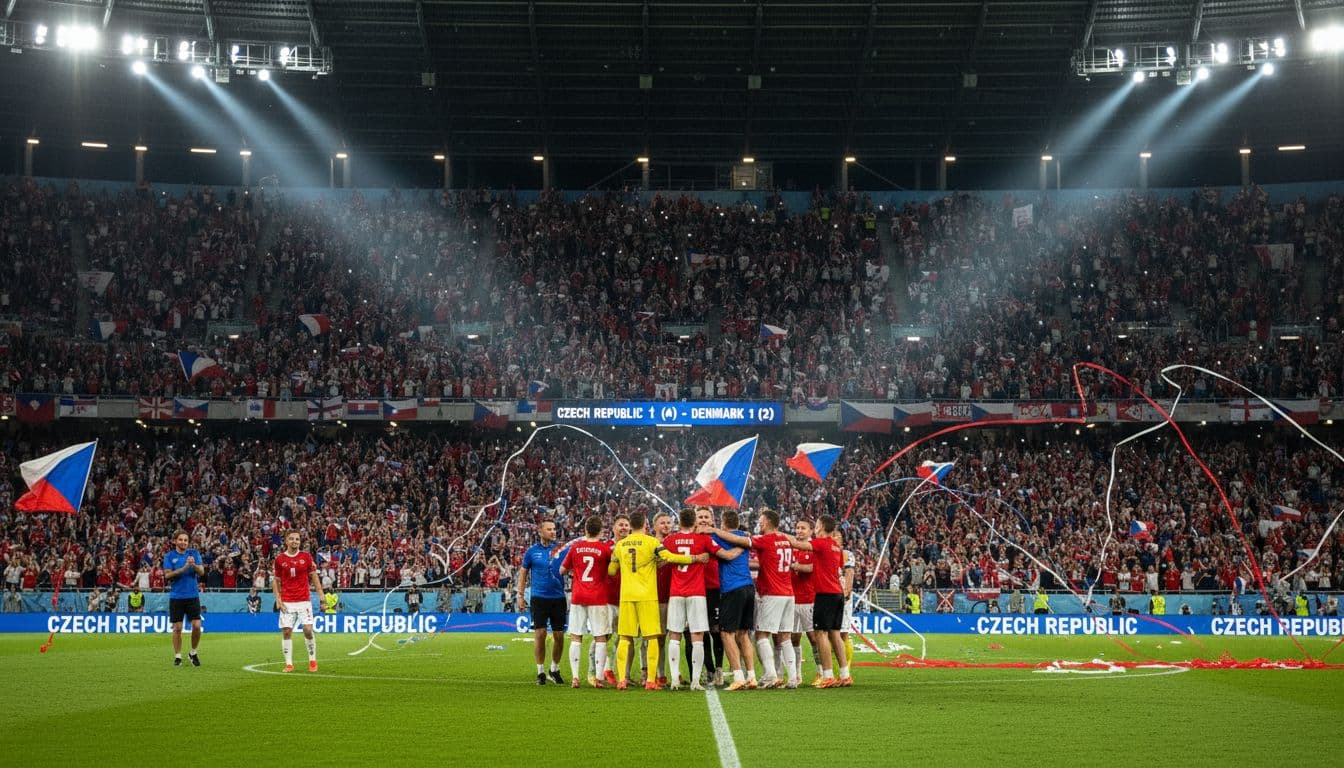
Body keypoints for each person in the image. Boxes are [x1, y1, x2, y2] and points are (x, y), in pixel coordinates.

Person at [608, 510, 705, 690]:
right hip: (647, 597)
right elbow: (670, 557)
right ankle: (651, 681)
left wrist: (619, 563)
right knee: (652, 637)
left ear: (631, 525)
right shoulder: (652, 542)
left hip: (627, 596)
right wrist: (694, 558)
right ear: (645, 524)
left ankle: (622, 679)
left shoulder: (620, 545)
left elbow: (611, 571)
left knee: (625, 638)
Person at [710, 508, 800, 688]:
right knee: (785, 637)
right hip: (789, 593)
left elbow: (739, 540)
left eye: (760, 521)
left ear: (766, 522)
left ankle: (770, 675)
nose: (759, 523)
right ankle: (793, 678)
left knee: (760, 635)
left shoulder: (765, 540)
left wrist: (713, 530)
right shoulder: (785, 540)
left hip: (772, 592)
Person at [662, 508, 741, 690]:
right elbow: (726, 555)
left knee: (674, 635)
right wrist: (744, 545)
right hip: (697, 593)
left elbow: (660, 559)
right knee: (697, 636)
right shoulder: (704, 539)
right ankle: (696, 682)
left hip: (676, 593)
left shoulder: (670, 540)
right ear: (694, 521)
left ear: (679, 521)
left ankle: (674, 680)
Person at [784, 515, 851, 687]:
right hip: (837, 594)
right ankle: (844, 674)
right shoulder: (836, 547)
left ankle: (827, 675)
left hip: (824, 594)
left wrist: (779, 535)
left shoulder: (821, 543)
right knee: (835, 634)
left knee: (821, 634)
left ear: (820, 526)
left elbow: (798, 544)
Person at [559, 515, 614, 688]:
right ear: (601, 531)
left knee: (576, 637)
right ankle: (598, 678)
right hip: (598, 598)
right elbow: (612, 570)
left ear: (585, 530)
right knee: (600, 638)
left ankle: (575, 677)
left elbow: (561, 570)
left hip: (578, 597)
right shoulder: (605, 549)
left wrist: (574, 574)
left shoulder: (576, 547)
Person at [706, 509, 758, 691]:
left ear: (723, 522)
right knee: (743, 634)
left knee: (726, 633)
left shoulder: (718, 537)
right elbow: (747, 543)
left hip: (732, 588)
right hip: (749, 588)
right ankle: (751, 677)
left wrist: (709, 531)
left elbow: (717, 552)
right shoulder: (742, 536)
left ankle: (738, 676)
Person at [518, 519, 568, 686]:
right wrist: (519, 595)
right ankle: (540, 671)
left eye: (554, 529)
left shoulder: (561, 551)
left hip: (558, 598)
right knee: (540, 634)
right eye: (549, 529)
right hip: (539, 598)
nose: (553, 532)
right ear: (540, 531)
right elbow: (523, 573)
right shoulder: (531, 552)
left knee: (559, 636)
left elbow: (571, 568)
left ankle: (554, 669)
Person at [273, 529, 324, 672]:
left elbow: (314, 577)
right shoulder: (279, 559)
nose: (294, 541)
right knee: (287, 631)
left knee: (307, 630)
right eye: (291, 539)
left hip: (304, 601)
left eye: (297, 539)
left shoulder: (306, 557)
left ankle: (312, 661)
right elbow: (276, 581)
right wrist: (278, 599)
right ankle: (289, 664)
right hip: (287, 601)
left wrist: (321, 596)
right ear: (286, 541)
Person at [163, 530, 205, 666]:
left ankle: (193, 653)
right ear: (175, 541)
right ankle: (178, 656)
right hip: (176, 596)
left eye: (186, 540)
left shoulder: (194, 554)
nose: (183, 542)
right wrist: (185, 567)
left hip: (192, 595)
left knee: (197, 626)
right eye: (180, 540)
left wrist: (193, 565)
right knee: (177, 628)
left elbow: (202, 572)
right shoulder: (169, 556)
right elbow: (168, 576)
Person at [695, 507, 727, 686]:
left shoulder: (719, 537)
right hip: (697, 591)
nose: (703, 519)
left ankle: (720, 669)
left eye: (706, 516)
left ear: (712, 520)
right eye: (700, 517)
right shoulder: (692, 539)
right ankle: (709, 670)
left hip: (716, 590)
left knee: (717, 631)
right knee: (702, 632)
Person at [789, 518, 821, 686]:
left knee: (813, 637)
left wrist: (794, 566)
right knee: (794, 638)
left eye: (803, 528)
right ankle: (797, 674)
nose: (799, 530)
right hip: (792, 599)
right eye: (797, 527)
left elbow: (810, 569)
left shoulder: (813, 548)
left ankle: (820, 672)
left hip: (809, 599)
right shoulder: (792, 548)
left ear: (811, 531)